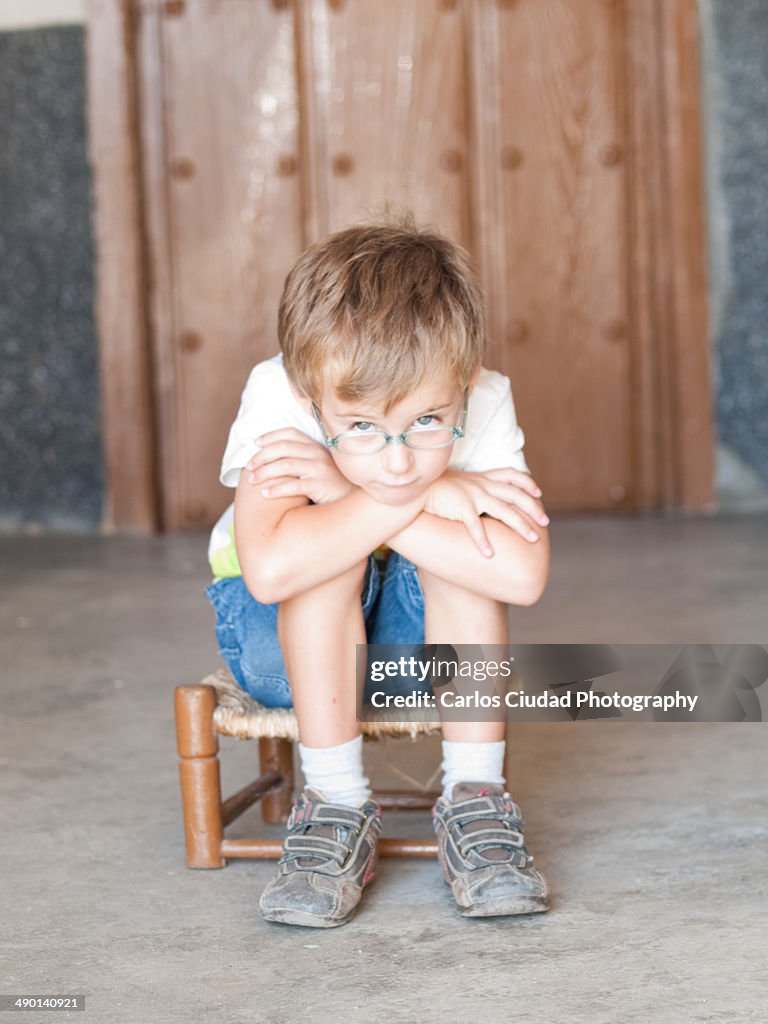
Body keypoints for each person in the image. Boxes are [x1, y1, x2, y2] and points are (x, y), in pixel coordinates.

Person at [205, 217, 552, 927]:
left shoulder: (482, 395)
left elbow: (521, 578)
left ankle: (475, 800)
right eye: (361, 427)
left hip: (409, 660)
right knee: (321, 560)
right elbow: (271, 572)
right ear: (310, 397)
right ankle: (333, 802)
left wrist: (350, 489)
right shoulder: (279, 392)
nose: (397, 461)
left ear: (462, 380)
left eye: (428, 421)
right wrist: (431, 493)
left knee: (467, 560)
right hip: (279, 653)